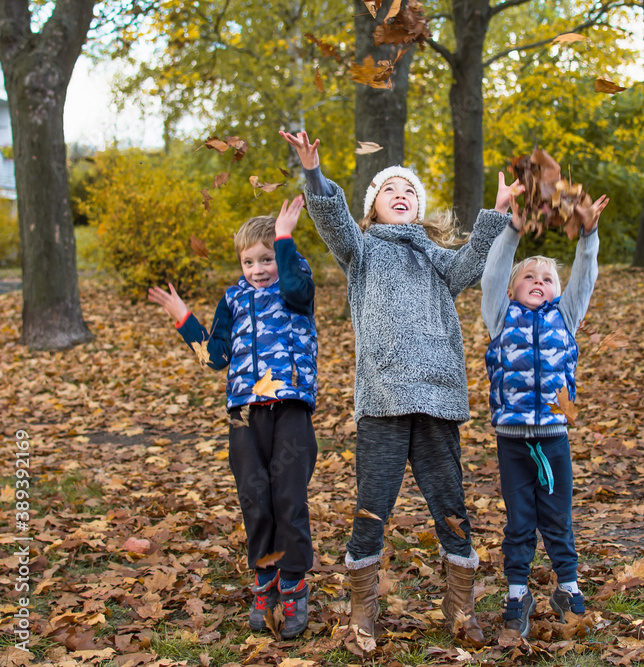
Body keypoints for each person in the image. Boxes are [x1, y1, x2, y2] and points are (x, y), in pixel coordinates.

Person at [279, 129, 521, 650]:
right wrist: (313, 171)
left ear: (419, 207)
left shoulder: (437, 256)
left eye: (407, 190)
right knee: (372, 505)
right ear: (372, 209)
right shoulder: (361, 250)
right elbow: (332, 220)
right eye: (388, 189)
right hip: (383, 400)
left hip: (438, 397)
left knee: (450, 503)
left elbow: (470, 263)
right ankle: (362, 611)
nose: (399, 194)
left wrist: (496, 214)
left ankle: (461, 608)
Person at [148, 196, 318, 640]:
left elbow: (298, 287)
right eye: (249, 261)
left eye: (266, 259)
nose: (258, 269)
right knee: (255, 497)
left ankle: (294, 582)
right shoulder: (233, 299)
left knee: (288, 496)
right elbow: (215, 357)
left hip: (291, 406)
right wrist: (183, 318)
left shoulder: (295, 287)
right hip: (244, 413)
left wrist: (284, 238)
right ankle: (265, 581)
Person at [479, 193, 609, 638]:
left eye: (548, 278)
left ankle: (568, 585)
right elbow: (494, 271)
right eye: (529, 277)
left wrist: (588, 234)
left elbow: (586, 278)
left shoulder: (567, 316)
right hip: (513, 440)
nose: (539, 281)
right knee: (519, 519)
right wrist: (512, 230)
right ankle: (517, 590)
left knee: (557, 515)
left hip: (553, 437)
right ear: (513, 288)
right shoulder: (499, 316)